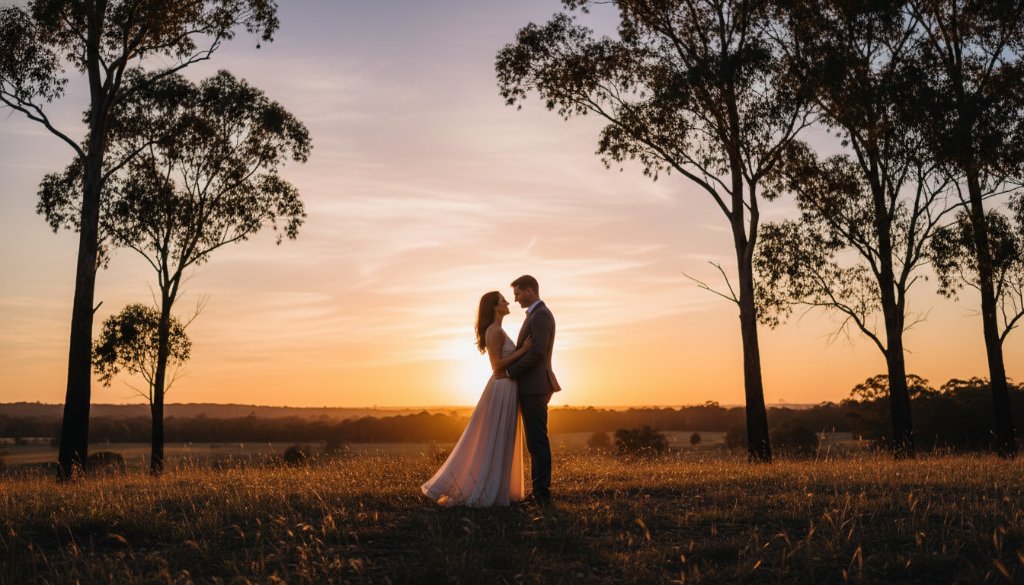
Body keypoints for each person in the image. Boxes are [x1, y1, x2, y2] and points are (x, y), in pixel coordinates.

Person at [421, 291, 533, 507]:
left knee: (504, 438)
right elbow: (497, 365)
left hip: (507, 387)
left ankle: (500, 486)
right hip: (501, 387)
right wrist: (523, 351)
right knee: (495, 437)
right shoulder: (493, 331)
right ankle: (483, 487)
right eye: (503, 300)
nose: (508, 302)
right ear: (494, 307)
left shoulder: (498, 330)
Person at [498, 275, 559, 504]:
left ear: (530, 291)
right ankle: (539, 491)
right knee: (535, 442)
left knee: (537, 441)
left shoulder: (541, 315)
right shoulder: (536, 315)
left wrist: (510, 372)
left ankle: (542, 493)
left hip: (535, 386)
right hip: (531, 386)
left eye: (518, 294)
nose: (515, 299)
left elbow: (537, 353)